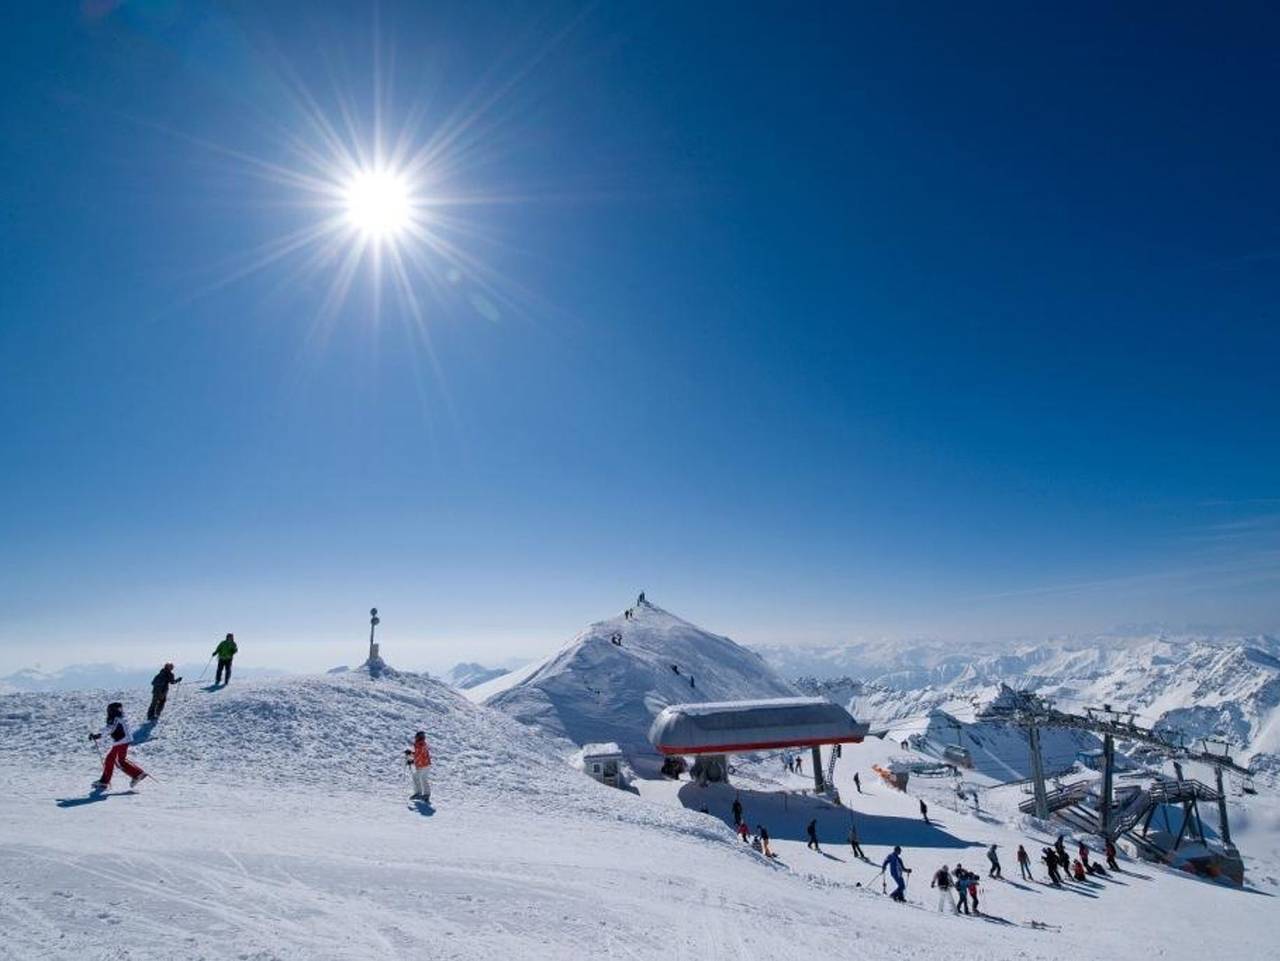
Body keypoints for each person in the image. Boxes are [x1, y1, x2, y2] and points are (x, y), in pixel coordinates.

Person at [89, 702, 147, 790]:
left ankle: (137, 774)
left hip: (121, 741)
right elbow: (112, 728)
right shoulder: (120, 718)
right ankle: (105, 781)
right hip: (122, 741)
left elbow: (110, 728)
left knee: (117, 761)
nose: (108, 712)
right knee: (112, 760)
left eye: (109, 710)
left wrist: (98, 735)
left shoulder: (116, 719)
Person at [403, 731, 432, 801]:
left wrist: (412, 760)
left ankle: (418, 793)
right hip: (427, 764)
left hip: (422, 765)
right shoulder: (423, 744)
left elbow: (418, 755)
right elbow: (419, 754)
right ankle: (426, 794)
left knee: (416, 777)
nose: (415, 738)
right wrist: (411, 753)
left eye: (416, 737)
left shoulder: (419, 744)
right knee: (424, 779)